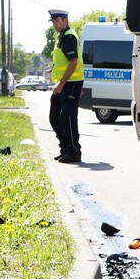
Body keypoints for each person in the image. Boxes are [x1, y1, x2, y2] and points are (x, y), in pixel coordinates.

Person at [48, 9, 84, 163]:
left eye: (57, 20)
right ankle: (65, 148)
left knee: (67, 117)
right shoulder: (62, 36)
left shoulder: (69, 36)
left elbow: (73, 62)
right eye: (53, 21)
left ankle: (74, 151)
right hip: (64, 84)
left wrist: (61, 84)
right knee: (54, 117)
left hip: (69, 84)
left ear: (65, 20)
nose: (54, 24)